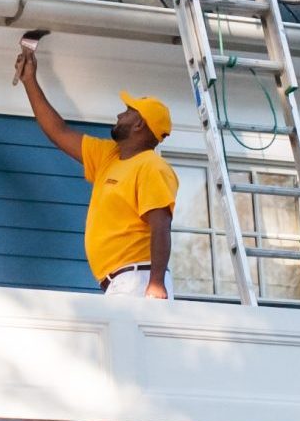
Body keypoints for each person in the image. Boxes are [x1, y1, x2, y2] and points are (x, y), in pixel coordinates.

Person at [14, 41, 179, 298]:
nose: (119, 115)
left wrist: (156, 284)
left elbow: (161, 225)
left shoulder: (151, 166)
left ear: (139, 125)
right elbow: (59, 132)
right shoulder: (109, 158)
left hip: (140, 280)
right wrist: (29, 81)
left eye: (127, 112)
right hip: (122, 281)